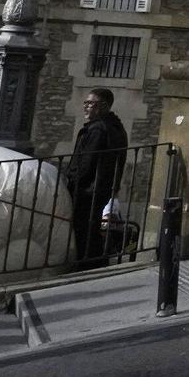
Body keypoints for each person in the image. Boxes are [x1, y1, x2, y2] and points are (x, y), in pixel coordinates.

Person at [66, 87, 129, 270]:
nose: (85, 107)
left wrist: (71, 181)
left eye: (90, 103)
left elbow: (87, 163)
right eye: (85, 103)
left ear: (102, 106)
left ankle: (88, 265)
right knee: (91, 228)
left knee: (84, 229)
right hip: (100, 188)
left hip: (88, 190)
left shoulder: (98, 130)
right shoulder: (115, 127)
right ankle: (95, 263)